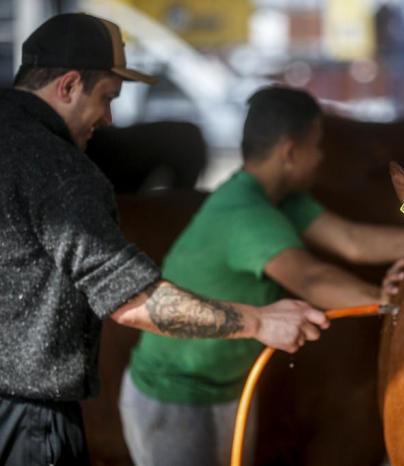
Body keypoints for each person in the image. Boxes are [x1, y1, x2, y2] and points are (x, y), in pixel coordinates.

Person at [0, 14, 329, 466]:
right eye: (107, 98)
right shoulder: (60, 170)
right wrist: (260, 322)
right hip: (32, 421)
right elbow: (134, 302)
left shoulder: (293, 205)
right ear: (69, 85)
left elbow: (349, 237)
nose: (110, 118)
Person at [120, 86, 404, 466]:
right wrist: (393, 303)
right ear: (291, 151)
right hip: (173, 397)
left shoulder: (282, 198)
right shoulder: (245, 212)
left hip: (227, 387)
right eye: (317, 145)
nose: (321, 156)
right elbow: (311, 281)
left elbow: (352, 241)